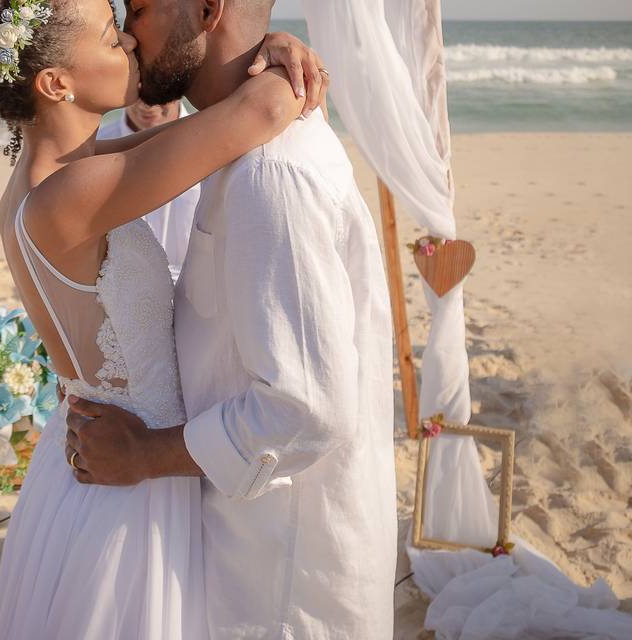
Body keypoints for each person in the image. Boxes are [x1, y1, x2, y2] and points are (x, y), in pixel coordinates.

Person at [0, 0, 326, 637]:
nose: (134, 47)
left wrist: (267, 41)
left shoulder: (59, 175)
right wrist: (282, 59)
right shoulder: (67, 196)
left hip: (97, 459)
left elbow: (203, 130)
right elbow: (263, 113)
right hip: (130, 477)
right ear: (56, 82)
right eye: (114, 38)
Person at [64, 0, 397, 637]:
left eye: (139, 7)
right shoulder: (251, 139)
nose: (129, 30)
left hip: (281, 581)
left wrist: (142, 455)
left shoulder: (270, 175)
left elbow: (307, 408)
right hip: (248, 545)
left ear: (209, 9)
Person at [98, 99, 197, 280]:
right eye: (138, 90)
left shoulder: (214, 142)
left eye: (157, 91)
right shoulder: (96, 148)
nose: (147, 105)